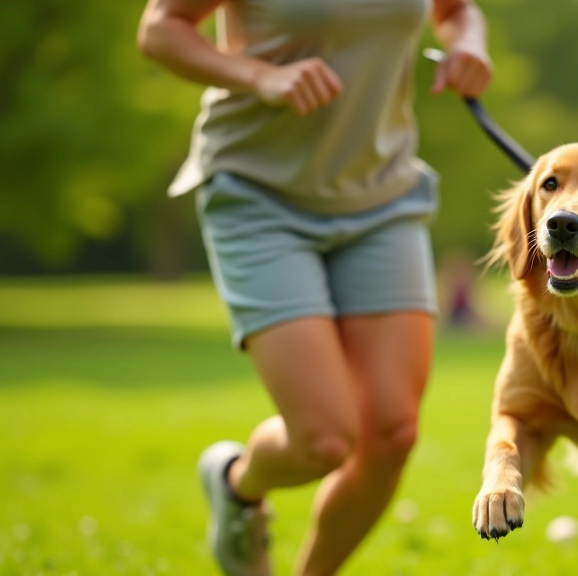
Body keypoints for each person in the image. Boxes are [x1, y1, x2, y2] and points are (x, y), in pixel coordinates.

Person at [137, 1, 492, 574]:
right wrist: (261, 76)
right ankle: (237, 486)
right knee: (323, 440)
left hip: (381, 196)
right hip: (258, 192)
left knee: (392, 434)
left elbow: (456, 10)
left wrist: (468, 45)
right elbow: (160, 29)